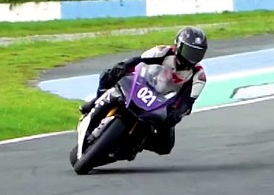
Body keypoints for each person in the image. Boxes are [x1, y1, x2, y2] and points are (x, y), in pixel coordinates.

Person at [78, 26, 210, 157]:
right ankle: (95, 102)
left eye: (196, 54)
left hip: (164, 104)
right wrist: (121, 68)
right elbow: (137, 61)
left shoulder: (198, 76)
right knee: (107, 76)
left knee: (165, 146)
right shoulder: (162, 52)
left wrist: (176, 114)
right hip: (143, 85)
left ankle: (137, 143)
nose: (191, 57)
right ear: (178, 45)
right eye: (189, 51)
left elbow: (188, 102)